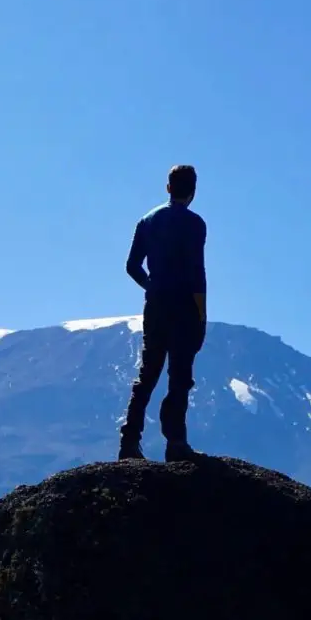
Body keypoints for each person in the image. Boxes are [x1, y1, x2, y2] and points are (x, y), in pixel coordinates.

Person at [118, 164, 208, 462]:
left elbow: (131, 265)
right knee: (180, 376)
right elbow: (197, 272)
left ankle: (129, 442)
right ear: (193, 191)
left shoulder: (148, 220)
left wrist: (151, 286)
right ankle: (176, 443)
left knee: (148, 373)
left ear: (168, 187)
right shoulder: (196, 224)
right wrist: (201, 315)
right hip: (184, 305)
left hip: (156, 305)